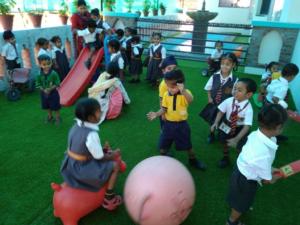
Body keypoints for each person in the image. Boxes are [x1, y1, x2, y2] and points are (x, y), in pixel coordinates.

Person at [225, 104, 288, 225]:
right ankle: (231, 221)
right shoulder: (263, 152)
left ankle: (237, 204)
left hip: (240, 170)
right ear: (279, 127)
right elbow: (267, 180)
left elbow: (259, 163)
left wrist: (269, 168)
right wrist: (278, 175)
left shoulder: (256, 134)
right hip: (246, 180)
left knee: (237, 194)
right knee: (240, 203)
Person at [60, 98, 122, 210]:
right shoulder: (91, 134)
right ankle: (109, 196)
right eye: (98, 111)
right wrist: (114, 155)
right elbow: (99, 157)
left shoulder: (75, 127)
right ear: (90, 118)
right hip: (81, 168)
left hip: (70, 165)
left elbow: (82, 148)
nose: (101, 112)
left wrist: (101, 149)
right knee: (115, 166)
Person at [147, 69, 206, 170]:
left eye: (172, 87)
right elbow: (164, 108)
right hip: (168, 125)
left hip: (182, 125)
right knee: (162, 147)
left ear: (180, 85)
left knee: (188, 146)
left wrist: (183, 91)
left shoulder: (185, 94)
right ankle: (164, 159)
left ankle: (193, 160)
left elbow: (190, 100)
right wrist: (157, 114)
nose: (170, 89)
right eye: (168, 86)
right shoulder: (166, 95)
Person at [211, 78, 257, 168]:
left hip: (240, 129)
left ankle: (240, 161)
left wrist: (236, 139)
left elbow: (247, 126)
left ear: (248, 94)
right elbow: (221, 111)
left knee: (241, 146)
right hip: (226, 125)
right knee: (224, 142)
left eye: (239, 90)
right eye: (235, 88)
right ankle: (225, 157)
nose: (235, 91)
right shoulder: (229, 100)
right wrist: (215, 122)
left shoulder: (248, 109)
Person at [201, 53, 238, 144]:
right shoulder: (214, 76)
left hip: (226, 107)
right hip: (214, 104)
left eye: (227, 64)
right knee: (212, 121)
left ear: (233, 65)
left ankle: (221, 134)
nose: (224, 66)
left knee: (223, 122)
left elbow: (235, 95)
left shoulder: (235, 80)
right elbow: (208, 88)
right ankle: (211, 134)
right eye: (222, 63)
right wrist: (209, 98)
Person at [35, 54, 61, 125]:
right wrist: (43, 90)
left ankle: (57, 117)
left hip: (53, 93)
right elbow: (38, 84)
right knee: (47, 106)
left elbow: (57, 83)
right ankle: (50, 116)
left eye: (48, 64)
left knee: (55, 106)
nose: (47, 66)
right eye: (44, 64)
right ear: (40, 65)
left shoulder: (54, 73)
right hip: (43, 93)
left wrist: (50, 89)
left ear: (51, 63)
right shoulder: (39, 74)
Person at [158, 55, 178, 128]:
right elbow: (161, 100)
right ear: (163, 71)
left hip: (175, 111)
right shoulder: (164, 85)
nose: (172, 71)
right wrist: (163, 114)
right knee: (165, 131)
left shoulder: (176, 80)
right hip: (166, 112)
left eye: (174, 68)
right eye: (169, 69)